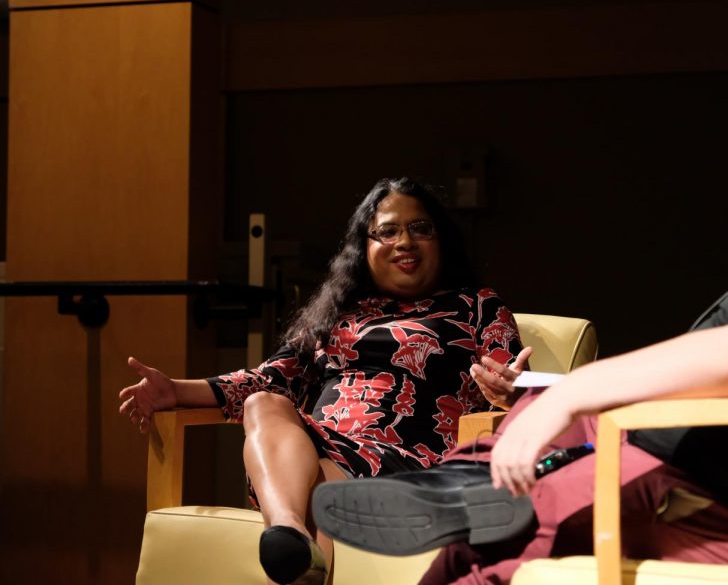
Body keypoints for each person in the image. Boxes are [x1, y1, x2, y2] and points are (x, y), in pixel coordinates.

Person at [312, 51, 728, 583]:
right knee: (530, 454)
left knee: (519, 516)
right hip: (720, 475)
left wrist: (581, 392)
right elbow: (717, 343)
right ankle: (472, 486)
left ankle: (481, 487)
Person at [118, 178, 527, 585]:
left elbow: (510, 379)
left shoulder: (476, 305)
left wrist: (511, 393)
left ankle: (292, 549)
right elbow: (267, 377)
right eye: (387, 230)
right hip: (313, 453)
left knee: (321, 493)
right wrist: (174, 391)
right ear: (363, 248)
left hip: (409, 464)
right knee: (263, 402)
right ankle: (287, 532)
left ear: (442, 241)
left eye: (420, 228)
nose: (405, 241)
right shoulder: (339, 311)